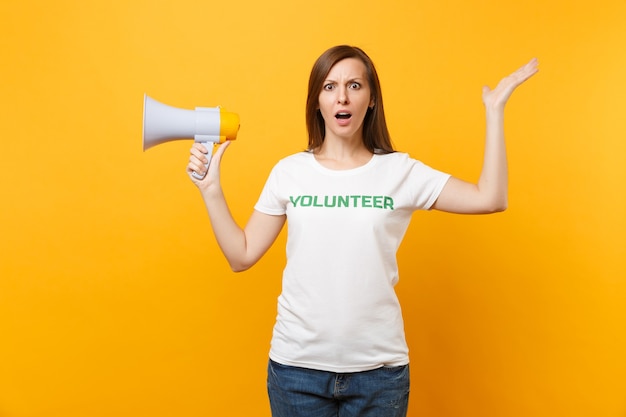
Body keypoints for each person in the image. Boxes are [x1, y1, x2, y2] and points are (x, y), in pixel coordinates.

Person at [186, 45, 538, 417]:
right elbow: (241, 256)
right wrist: (210, 189)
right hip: (296, 372)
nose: (342, 96)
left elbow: (490, 197)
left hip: (379, 376)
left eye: (354, 85)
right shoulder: (290, 172)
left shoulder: (400, 171)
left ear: (371, 99)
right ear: (316, 101)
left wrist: (494, 110)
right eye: (329, 87)